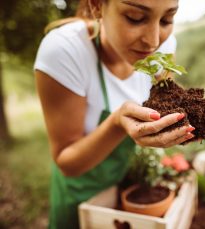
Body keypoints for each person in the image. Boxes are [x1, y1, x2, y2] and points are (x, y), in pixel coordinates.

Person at [34, 0, 195, 228]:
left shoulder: (164, 48)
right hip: (82, 195)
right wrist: (117, 124)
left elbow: (168, 101)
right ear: (97, 6)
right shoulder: (65, 50)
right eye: (135, 18)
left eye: (167, 19)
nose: (154, 41)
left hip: (130, 187)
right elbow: (67, 163)